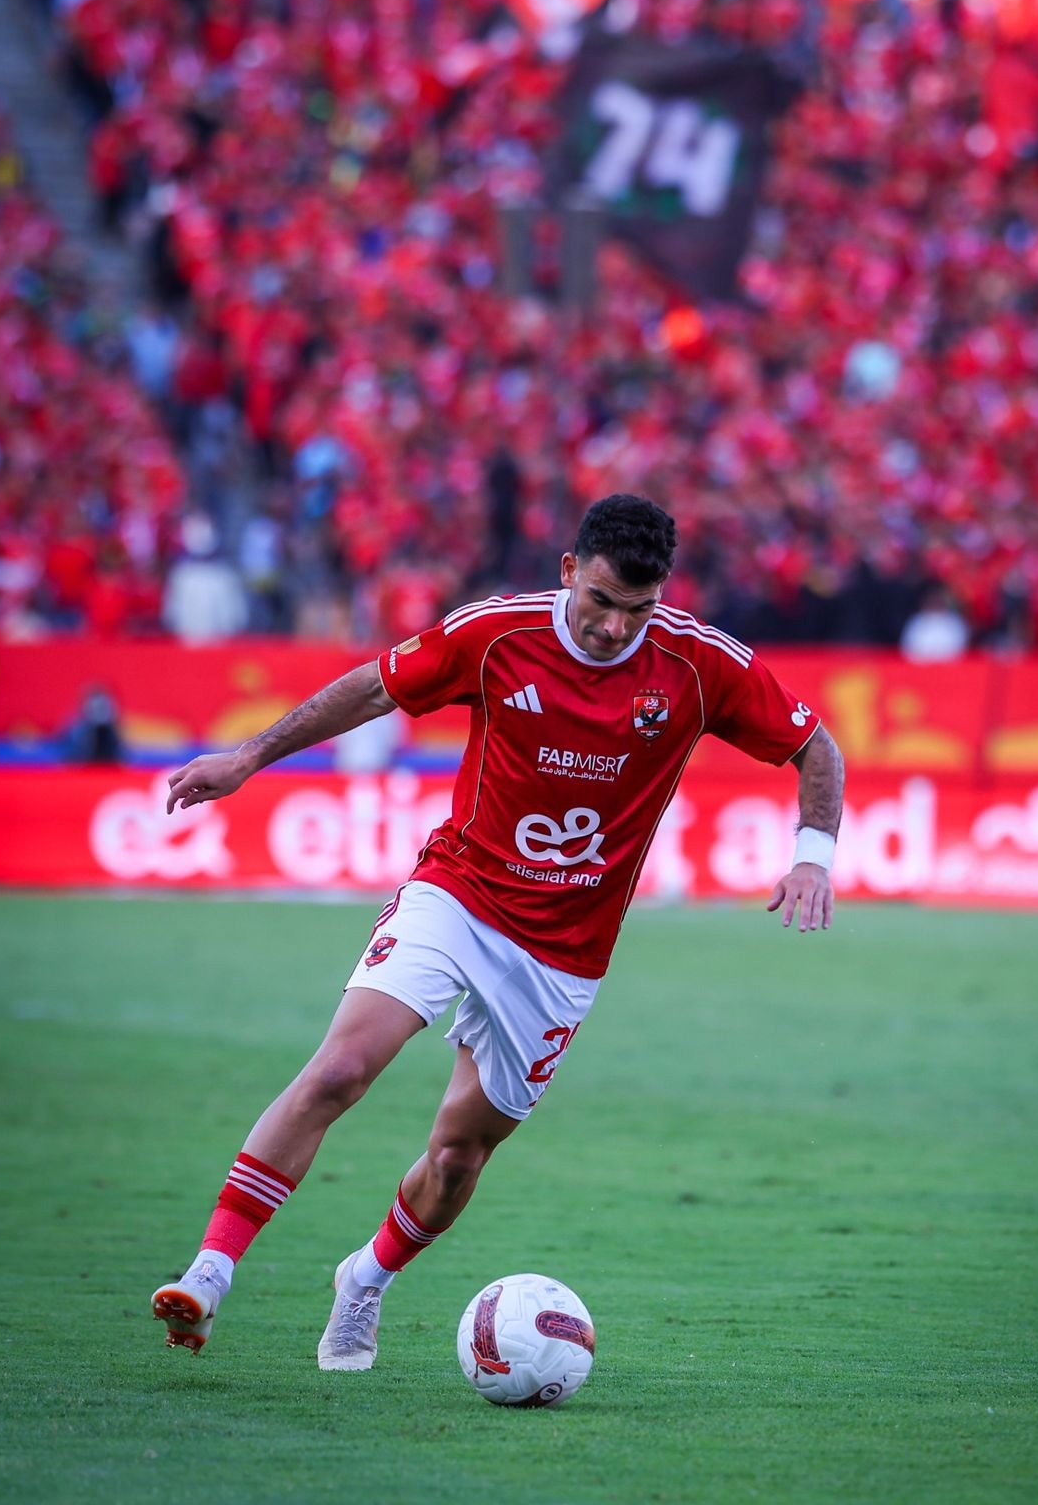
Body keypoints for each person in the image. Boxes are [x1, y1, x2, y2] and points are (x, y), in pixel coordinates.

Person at [152, 495, 845, 1369]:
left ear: (662, 597)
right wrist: (249, 756)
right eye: (600, 600)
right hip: (460, 893)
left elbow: (817, 749)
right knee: (339, 1069)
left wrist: (813, 857)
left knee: (457, 1157)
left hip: (565, 952)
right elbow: (374, 687)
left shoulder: (699, 663)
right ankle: (210, 1273)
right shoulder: (496, 634)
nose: (613, 627)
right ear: (569, 571)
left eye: (636, 609)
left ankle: (364, 1280)